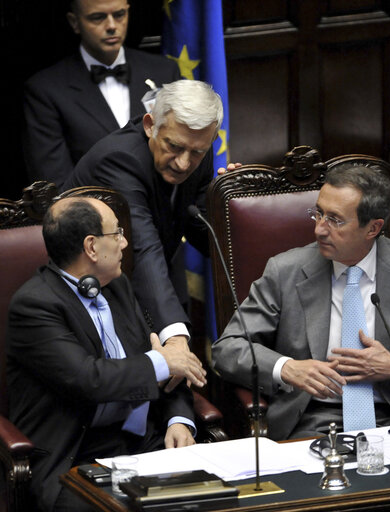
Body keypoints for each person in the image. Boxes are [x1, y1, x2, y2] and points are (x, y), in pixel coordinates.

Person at [212, 163, 390, 441]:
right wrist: (287, 368)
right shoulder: (286, 271)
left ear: (373, 228)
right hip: (311, 419)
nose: (319, 230)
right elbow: (228, 349)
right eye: (318, 214)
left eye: (335, 220)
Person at [7, 197, 207, 512]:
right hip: (77, 455)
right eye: (117, 234)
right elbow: (89, 379)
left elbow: (161, 368)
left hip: (143, 442)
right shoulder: (35, 306)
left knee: (208, 495)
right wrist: (162, 362)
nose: (125, 242)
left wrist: (178, 421)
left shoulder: (117, 286)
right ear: (91, 246)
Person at [63, 79, 223, 376]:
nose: (184, 163)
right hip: (88, 302)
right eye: (173, 146)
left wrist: (230, 203)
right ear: (151, 125)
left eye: (198, 152)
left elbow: (203, 230)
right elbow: (142, 247)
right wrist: (174, 337)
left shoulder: (197, 148)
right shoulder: (119, 160)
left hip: (141, 292)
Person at [23, 0, 180, 189]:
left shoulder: (164, 71)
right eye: (98, 18)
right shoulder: (46, 89)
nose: (112, 26)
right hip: (93, 212)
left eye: (119, 14)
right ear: (74, 22)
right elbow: (55, 185)